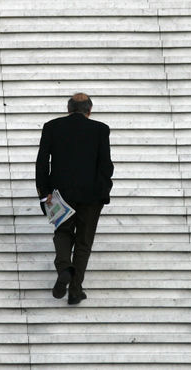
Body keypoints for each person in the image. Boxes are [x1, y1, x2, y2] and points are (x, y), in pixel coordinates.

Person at [36, 93, 114, 305]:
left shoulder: (52, 127)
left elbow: (42, 162)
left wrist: (45, 192)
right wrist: (103, 190)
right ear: (89, 111)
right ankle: (75, 290)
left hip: (61, 194)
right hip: (92, 195)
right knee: (83, 242)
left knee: (62, 232)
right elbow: (106, 165)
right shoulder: (100, 129)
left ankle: (64, 268)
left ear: (69, 109)